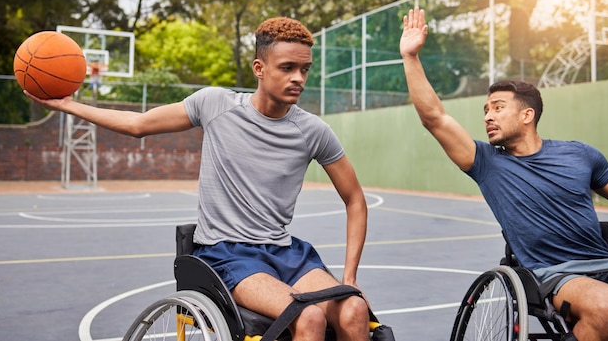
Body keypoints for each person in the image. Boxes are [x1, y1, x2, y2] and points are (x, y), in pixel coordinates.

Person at [25, 17, 370, 341]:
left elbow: (354, 198)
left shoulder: (312, 130)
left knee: (354, 309)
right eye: (287, 68)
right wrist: (69, 106)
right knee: (309, 317)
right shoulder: (215, 105)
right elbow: (138, 125)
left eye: (304, 69)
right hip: (228, 253)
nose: (299, 78)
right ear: (259, 69)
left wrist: (350, 277)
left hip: (286, 252)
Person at [399, 7, 608, 341]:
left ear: (527, 115)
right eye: (485, 110)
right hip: (555, 275)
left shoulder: (581, 154)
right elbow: (435, 118)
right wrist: (410, 57)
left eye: (498, 107)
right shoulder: (486, 161)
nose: (488, 116)